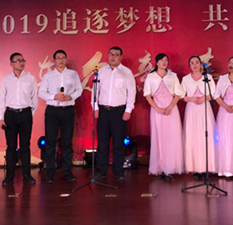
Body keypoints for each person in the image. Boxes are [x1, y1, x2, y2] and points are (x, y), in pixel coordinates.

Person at [92, 46, 136, 181]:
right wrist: (95, 107)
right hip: (103, 111)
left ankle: (118, 171)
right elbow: (95, 90)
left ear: (121, 57)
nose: (113, 57)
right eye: (111, 54)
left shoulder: (126, 72)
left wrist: (128, 110)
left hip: (119, 111)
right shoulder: (101, 71)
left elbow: (131, 92)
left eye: (116, 55)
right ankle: (101, 171)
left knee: (118, 143)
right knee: (102, 143)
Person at [38, 49, 83, 183]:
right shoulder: (48, 76)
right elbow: (41, 92)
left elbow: (79, 89)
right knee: (50, 142)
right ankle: (50, 173)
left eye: (63, 57)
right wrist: (54, 96)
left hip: (67, 110)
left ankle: (67, 172)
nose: (61, 60)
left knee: (67, 142)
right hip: (52, 111)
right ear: (54, 60)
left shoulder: (73, 74)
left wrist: (70, 96)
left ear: (65, 59)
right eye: (58, 58)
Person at [0, 52, 38, 186]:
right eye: (18, 61)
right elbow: (2, 99)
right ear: (11, 63)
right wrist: (0, 117)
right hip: (10, 114)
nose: (21, 63)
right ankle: (9, 176)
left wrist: (29, 114)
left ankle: (27, 175)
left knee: (25, 145)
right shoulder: (6, 80)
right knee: (11, 146)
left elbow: (34, 98)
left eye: (22, 60)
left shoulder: (30, 78)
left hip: (25, 113)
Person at [143, 53, 185, 180]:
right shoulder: (150, 77)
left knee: (171, 137)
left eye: (166, 60)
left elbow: (177, 94)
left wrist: (170, 107)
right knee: (159, 137)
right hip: (157, 109)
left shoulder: (173, 76)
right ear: (156, 63)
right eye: (161, 60)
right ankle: (159, 168)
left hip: (171, 109)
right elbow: (147, 95)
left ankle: (170, 168)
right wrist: (157, 108)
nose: (164, 62)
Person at [181, 55, 217, 178]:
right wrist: (192, 99)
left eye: (197, 62)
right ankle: (195, 167)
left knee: (206, 135)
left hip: (204, 108)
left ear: (201, 64)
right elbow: (181, 96)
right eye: (192, 63)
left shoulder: (208, 78)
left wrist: (204, 98)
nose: (195, 65)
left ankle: (207, 167)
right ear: (189, 65)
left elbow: (213, 93)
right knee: (192, 136)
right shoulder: (185, 79)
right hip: (191, 109)